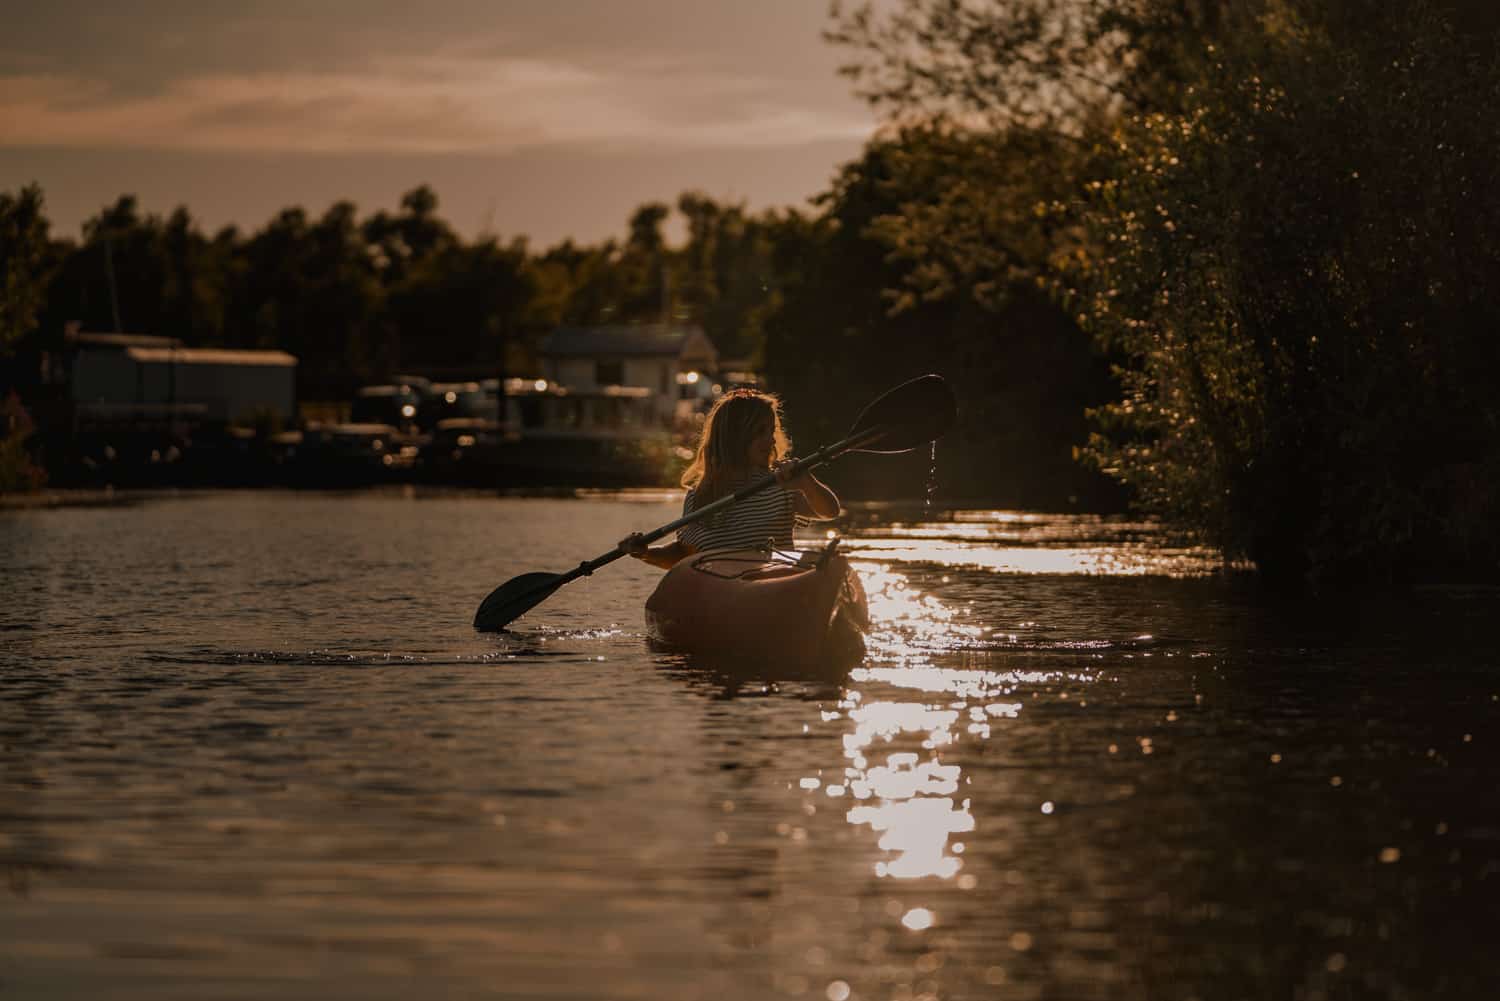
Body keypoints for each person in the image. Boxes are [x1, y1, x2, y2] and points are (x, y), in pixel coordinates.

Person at [619, 389, 840, 569]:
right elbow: (682, 553)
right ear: (734, 437)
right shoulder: (699, 496)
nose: (770, 440)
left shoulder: (781, 486)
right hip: (721, 593)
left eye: (771, 431)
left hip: (773, 584)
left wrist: (806, 481)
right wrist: (645, 553)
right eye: (759, 432)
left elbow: (830, 511)